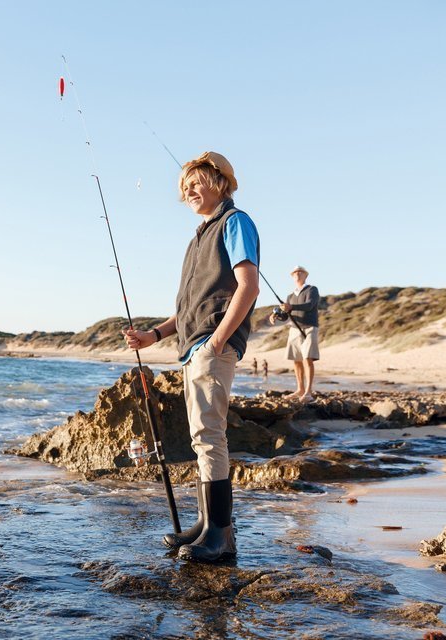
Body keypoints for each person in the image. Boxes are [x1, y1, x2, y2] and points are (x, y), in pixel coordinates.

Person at [124, 151, 259, 563]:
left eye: (196, 183)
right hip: (194, 347)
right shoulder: (200, 235)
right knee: (203, 438)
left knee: (209, 436)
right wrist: (154, 335)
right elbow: (187, 308)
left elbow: (248, 287)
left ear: (220, 181)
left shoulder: (234, 223)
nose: (189, 193)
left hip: (211, 347)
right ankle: (205, 524)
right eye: (184, 189)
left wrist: (218, 341)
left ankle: (221, 535)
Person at [268, 266, 320, 401]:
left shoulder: (312, 289)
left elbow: (309, 305)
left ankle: (308, 392)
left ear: (305, 275)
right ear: (292, 276)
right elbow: (286, 315)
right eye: (295, 272)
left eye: (300, 272)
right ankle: (300, 389)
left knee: (307, 358)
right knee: (296, 360)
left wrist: (291, 307)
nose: (297, 274)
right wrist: (276, 315)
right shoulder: (290, 296)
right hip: (294, 330)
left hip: (309, 328)